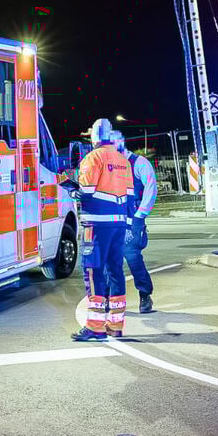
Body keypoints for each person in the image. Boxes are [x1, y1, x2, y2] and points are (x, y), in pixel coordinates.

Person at [70, 118, 134, 341]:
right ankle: (115, 326)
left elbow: (86, 191)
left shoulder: (92, 158)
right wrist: (128, 224)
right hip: (118, 224)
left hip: (96, 225)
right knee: (115, 271)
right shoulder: (122, 160)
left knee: (93, 271)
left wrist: (72, 191)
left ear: (94, 137)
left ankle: (96, 327)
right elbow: (130, 198)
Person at [109, 130, 157, 314]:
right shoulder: (110, 166)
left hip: (132, 222)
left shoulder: (139, 163)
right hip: (113, 222)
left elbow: (151, 190)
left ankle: (145, 294)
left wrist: (140, 216)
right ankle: (110, 300)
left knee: (134, 260)